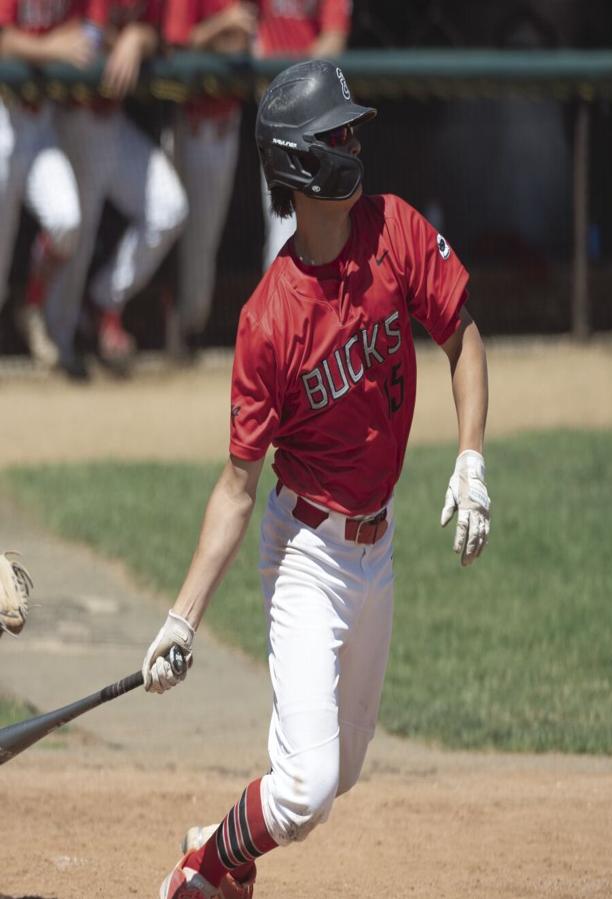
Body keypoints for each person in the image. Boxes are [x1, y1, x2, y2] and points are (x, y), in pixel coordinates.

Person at [142, 60, 491, 899]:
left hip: (379, 549)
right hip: (306, 554)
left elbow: (463, 334)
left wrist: (471, 457)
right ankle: (204, 869)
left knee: (337, 776)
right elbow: (236, 485)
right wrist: (180, 619)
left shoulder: (395, 230)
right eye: (337, 134)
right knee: (305, 787)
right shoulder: (269, 319)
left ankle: (220, 837)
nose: (355, 142)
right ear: (301, 165)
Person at [44, 0, 187, 376]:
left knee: (169, 208)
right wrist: (118, 38)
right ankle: (54, 343)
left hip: (113, 123)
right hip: (70, 119)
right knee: (74, 230)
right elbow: (79, 33)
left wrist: (140, 37)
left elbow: (170, 40)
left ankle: (103, 300)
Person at [163, 0, 257, 360]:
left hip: (225, 123)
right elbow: (176, 45)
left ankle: (187, 334)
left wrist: (223, 35)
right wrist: (222, 27)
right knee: (178, 231)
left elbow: (246, 43)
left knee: (202, 246)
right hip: (189, 124)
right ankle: (173, 333)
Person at [0, 0, 86, 369]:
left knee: (66, 221)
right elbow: (3, 42)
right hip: (4, 114)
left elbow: (86, 35)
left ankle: (31, 306)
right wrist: (52, 48)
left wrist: (49, 44)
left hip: (41, 123)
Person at [254, 0, 352, 270]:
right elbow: (244, 24)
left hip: (318, 118)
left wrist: (291, 85)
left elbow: (334, 39)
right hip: (274, 117)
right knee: (284, 226)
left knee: (324, 226)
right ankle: (277, 312)